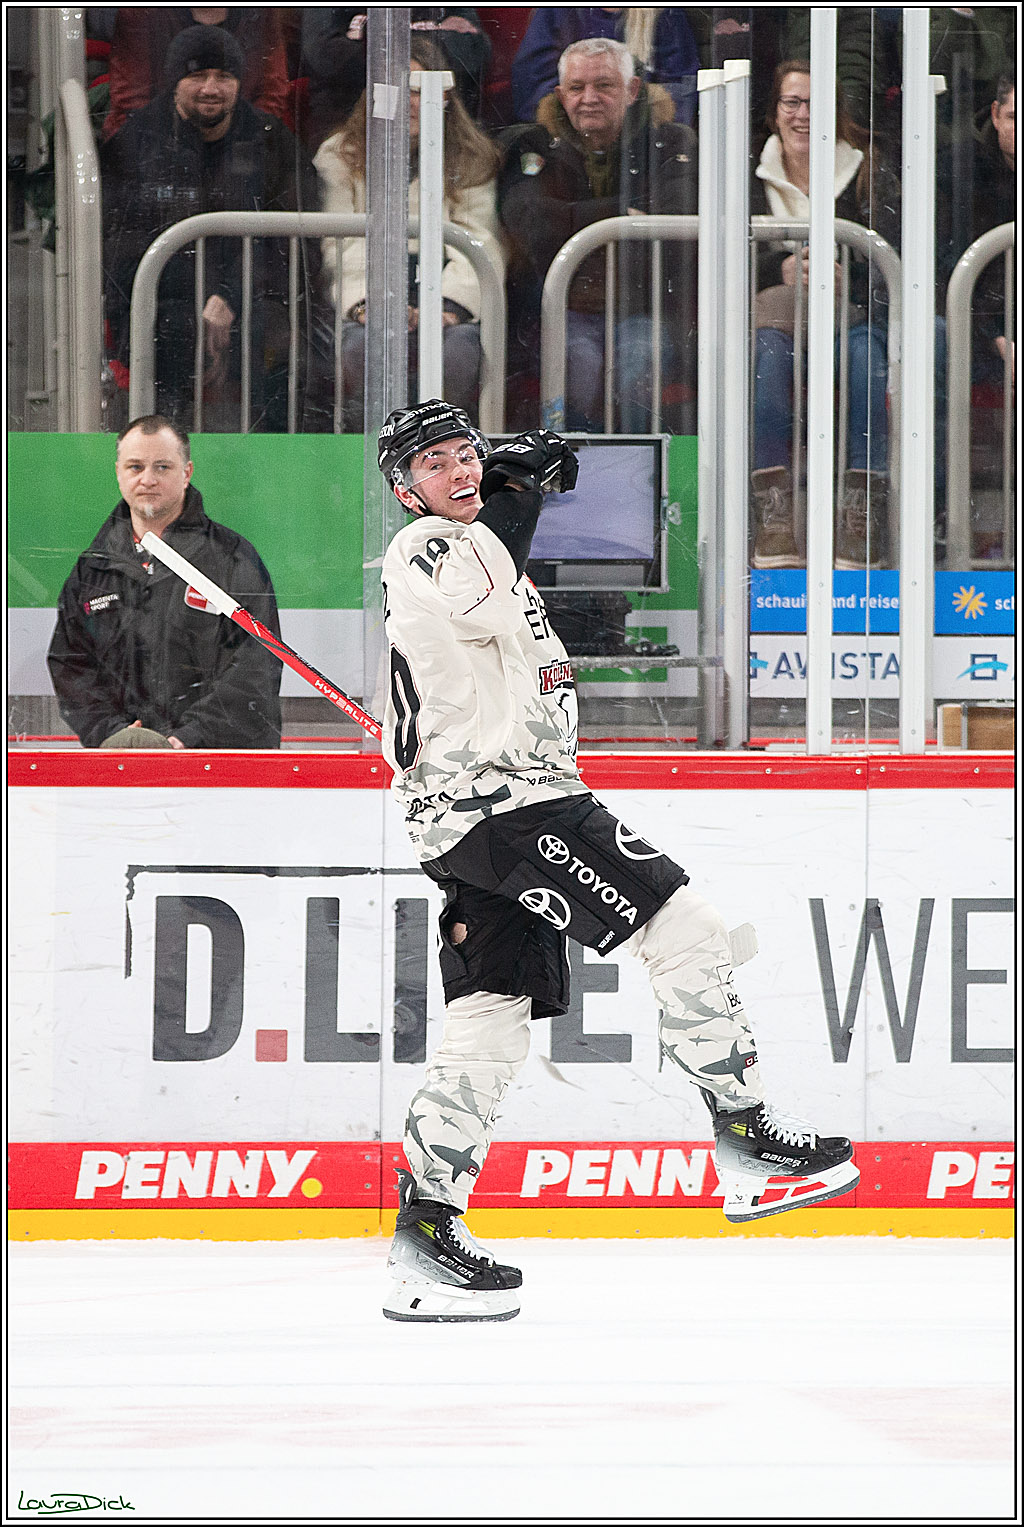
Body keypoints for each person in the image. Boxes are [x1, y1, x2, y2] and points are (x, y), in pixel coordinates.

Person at [375, 398, 860, 1323]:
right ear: (407, 492)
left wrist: (508, 488)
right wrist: (514, 491)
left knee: (492, 1014)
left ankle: (424, 1234)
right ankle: (746, 1135)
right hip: (510, 805)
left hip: (473, 814)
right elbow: (482, 585)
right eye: (434, 464)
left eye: (465, 454)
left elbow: (514, 675)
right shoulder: (433, 547)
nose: (458, 471)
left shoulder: (477, 556)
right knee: (686, 928)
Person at [100, 25, 324, 432]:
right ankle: (166, 454)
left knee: (275, 337)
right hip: (162, 304)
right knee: (170, 331)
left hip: (253, 301)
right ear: (174, 82)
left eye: (224, 76)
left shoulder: (274, 143)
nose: (211, 88)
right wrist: (195, 307)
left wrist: (229, 297)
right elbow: (119, 249)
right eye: (197, 76)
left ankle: (273, 456)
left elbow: (293, 246)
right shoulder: (135, 143)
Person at [750, 59, 910, 571]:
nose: (802, 115)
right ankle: (773, 517)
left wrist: (850, 277)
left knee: (866, 363)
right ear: (775, 113)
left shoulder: (869, 169)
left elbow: (899, 258)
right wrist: (780, 267)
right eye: (791, 103)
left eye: (815, 104)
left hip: (852, 321)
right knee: (767, 365)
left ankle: (860, 516)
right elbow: (721, 258)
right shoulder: (746, 172)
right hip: (774, 323)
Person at [499, 37, 697, 434]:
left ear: (632, 90)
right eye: (576, 87)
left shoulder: (674, 142)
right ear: (560, 93)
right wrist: (624, 216)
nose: (588, 98)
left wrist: (572, 222)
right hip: (563, 309)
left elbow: (676, 228)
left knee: (637, 363)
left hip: (645, 308)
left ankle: (641, 479)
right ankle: (569, 477)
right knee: (581, 365)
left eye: (604, 85)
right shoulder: (533, 144)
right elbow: (531, 226)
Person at [47, 415, 282, 750]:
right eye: (135, 467)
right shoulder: (94, 568)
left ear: (186, 473)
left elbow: (256, 666)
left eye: (162, 467)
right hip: (123, 768)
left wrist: (185, 739)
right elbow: (71, 663)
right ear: (118, 473)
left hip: (220, 770)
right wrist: (115, 735)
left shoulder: (231, 559)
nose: (148, 479)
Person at [314, 36, 505, 431]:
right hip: (371, 292)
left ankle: (444, 446)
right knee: (359, 348)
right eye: (398, 89)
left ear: (445, 94)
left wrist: (448, 307)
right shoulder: (340, 154)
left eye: (419, 89)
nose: (410, 101)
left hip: (444, 291)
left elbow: (479, 240)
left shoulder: (473, 156)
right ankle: (372, 448)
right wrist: (368, 304)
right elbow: (340, 242)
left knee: (460, 352)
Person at [300, 7, 492, 150]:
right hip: (352, 130)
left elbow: (475, 52)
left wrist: (371, 38)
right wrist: (435, 36)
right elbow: (325, 57)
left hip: (438, 136)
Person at [101, 7, 293, 142]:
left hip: (243, 140)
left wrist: (233, 138)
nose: (209, 88)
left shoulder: (262, 10)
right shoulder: (140, 12)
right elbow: (132, 103)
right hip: (158, 139)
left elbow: (272, 92)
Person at [511, 7, 700, 125]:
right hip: (571, 135)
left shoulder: (664, 12)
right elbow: (532, 85)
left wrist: (632, 119)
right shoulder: (556, 10)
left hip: (641, 139)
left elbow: (681, 86)